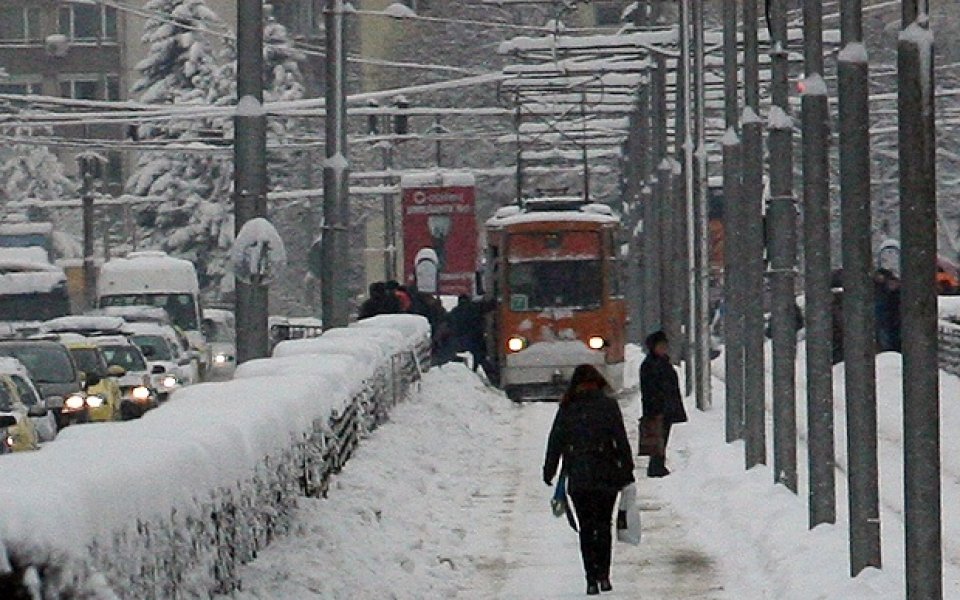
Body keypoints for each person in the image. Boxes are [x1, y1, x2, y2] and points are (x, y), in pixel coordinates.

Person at [543, 365, 635, 596]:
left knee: (586, 528)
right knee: (604, 526)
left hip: (579, 475)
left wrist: (549, 470)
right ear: (598, 382)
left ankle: (591, 579)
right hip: (607, 475)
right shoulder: (608, 406)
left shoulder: (568, 408)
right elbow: (620, 440)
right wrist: (627, 471)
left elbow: (555, 441)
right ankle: (604, 576)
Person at [640, 331, 688, 478]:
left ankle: (658, 465)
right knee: (657, 438)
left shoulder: (662, 363)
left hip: (665, 407)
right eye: (661, 346)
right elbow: (650, 389)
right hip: (657, 408)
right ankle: (656, 467)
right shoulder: (650, 365)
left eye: (665, 345)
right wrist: (654, 407)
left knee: (662, 437)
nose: (664, 348)